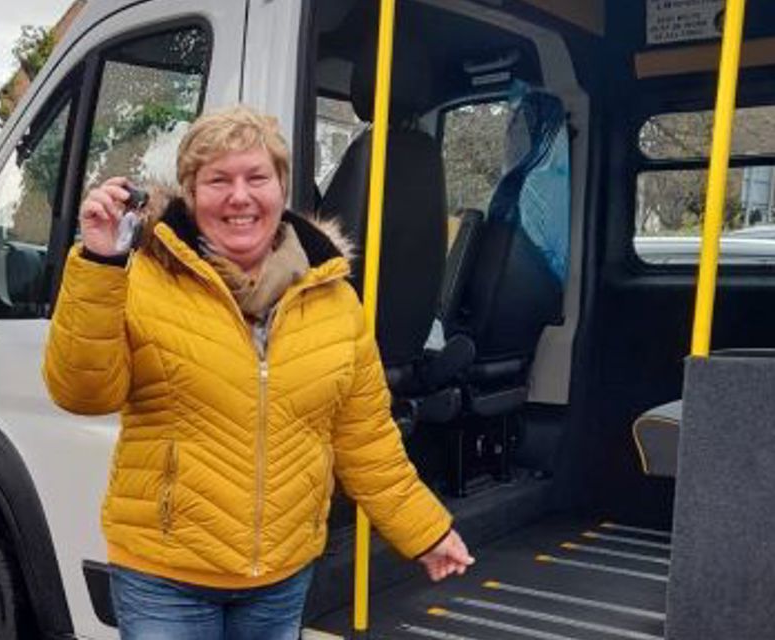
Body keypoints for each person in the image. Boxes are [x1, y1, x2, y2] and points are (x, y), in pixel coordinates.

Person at [43, 105, 473, 639]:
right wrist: (100, 262)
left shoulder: (335, 299)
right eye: (217, 180)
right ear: (192, 194)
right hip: (165, 576)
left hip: (280, 577)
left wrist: (426, 531)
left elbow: (366, 439)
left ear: (282, 189)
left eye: (257, 177)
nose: (239, 197)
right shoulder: (142, 278)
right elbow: (82, 392)